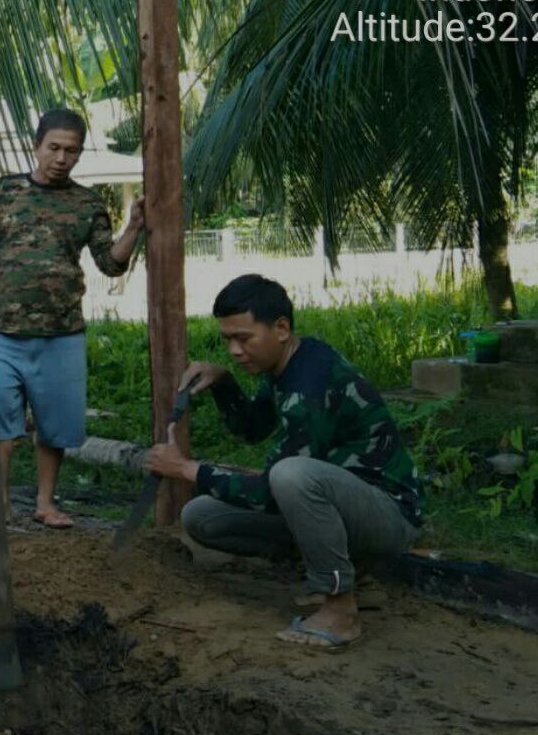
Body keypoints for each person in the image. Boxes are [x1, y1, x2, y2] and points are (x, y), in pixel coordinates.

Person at [145, 274, 424, 651]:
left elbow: (269, 493)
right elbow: (253, 429)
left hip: (388, 515)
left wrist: (184, 469)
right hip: (343, 505)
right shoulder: (288, 363)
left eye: (243, 338)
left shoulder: (310, 383)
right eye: (227, 339)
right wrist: (223, 382)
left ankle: (340, 609)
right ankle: (358, 579)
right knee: (202, 517)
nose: (234, 350)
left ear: (281, 328)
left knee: (291, 476)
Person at [0, 109, 143, 529]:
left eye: (71, 151)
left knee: (55, 425)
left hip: (62, 334)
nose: (61, 157)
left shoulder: (87, 203)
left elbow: (110, 264)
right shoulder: (2, 192)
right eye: (53, 147)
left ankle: (45, 502)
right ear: (36, 146)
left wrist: (132, 229)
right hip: (3, 331)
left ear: (79, 154)